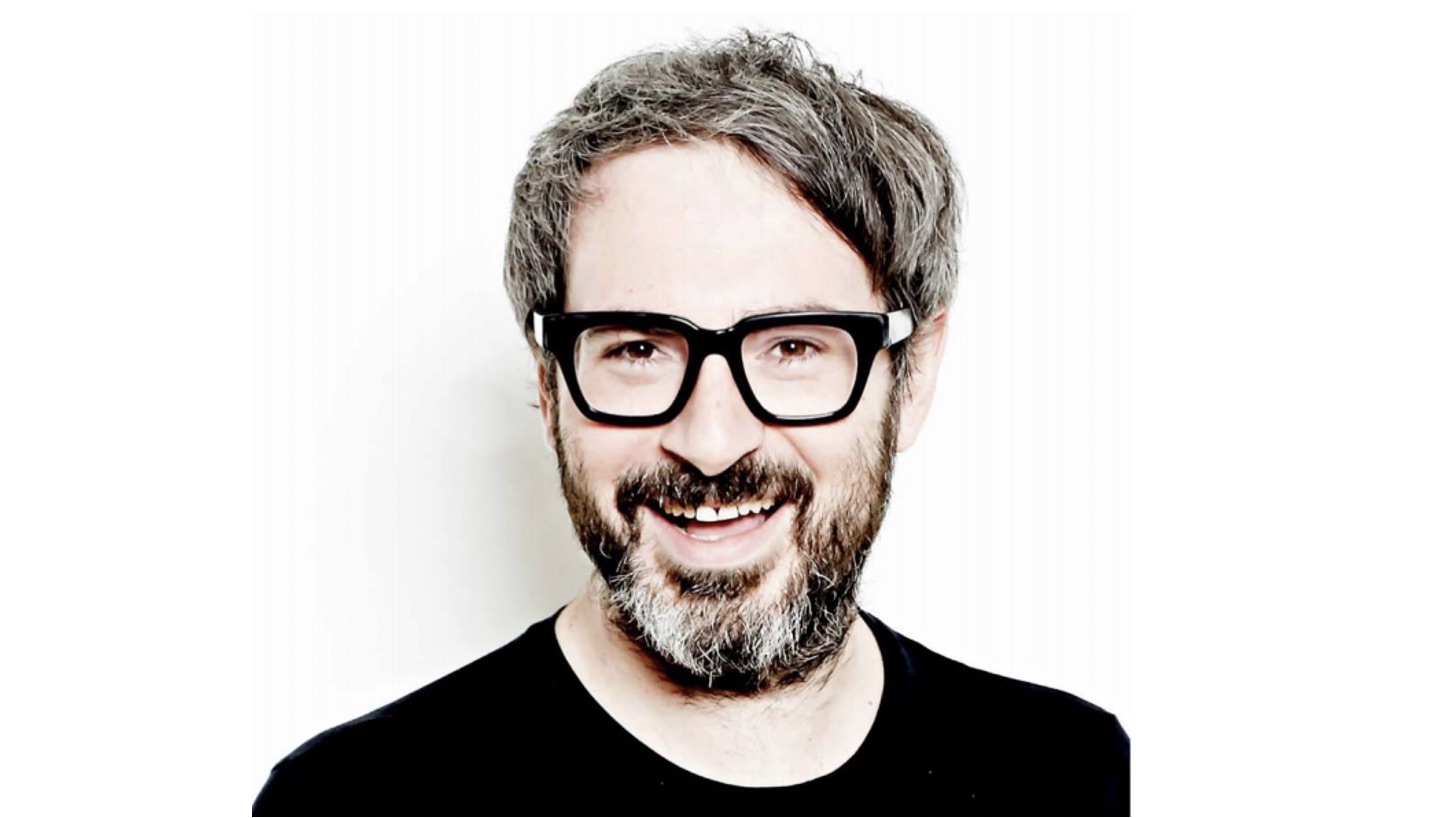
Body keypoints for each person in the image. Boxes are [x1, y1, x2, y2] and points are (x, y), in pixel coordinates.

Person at [254, 29, 1128, 816]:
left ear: (914, 375)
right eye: (638, 349)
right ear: (550, 385)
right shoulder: (352, 803)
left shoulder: (1068, 775)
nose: (712, 442)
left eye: (792, 347)